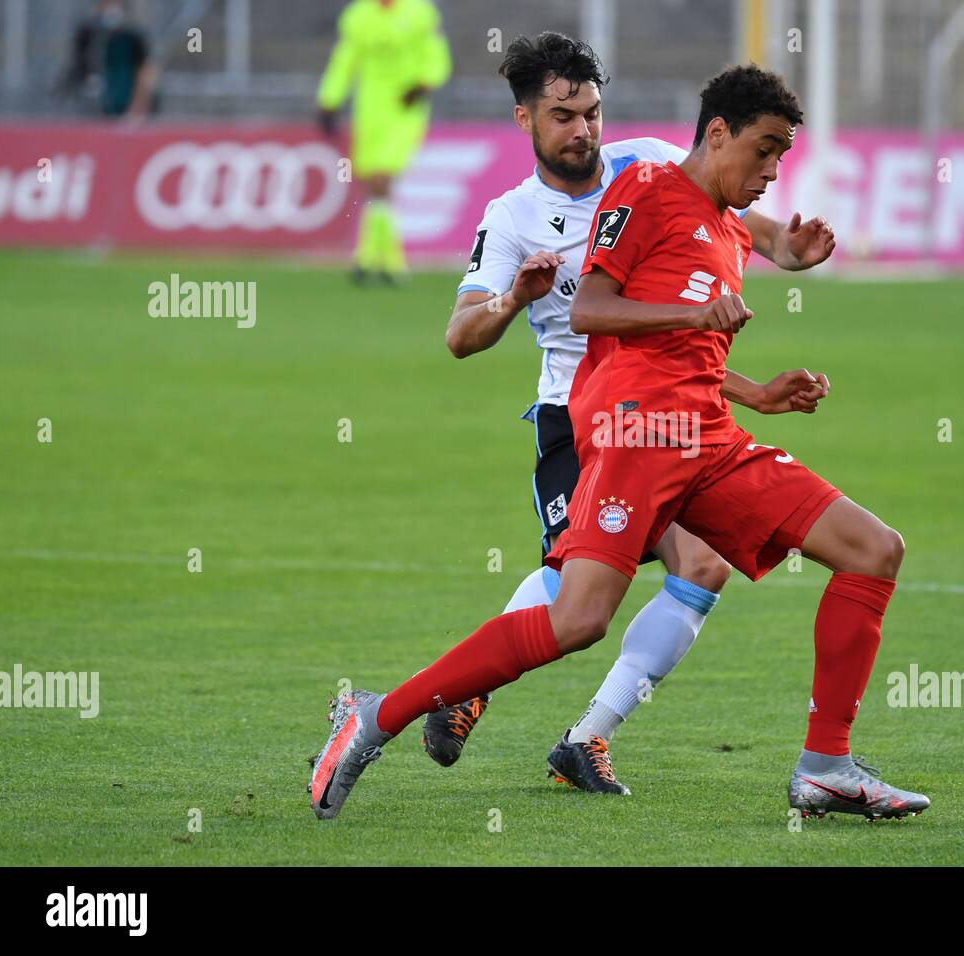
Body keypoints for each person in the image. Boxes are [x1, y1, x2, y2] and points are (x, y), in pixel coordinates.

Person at [310, 64, 929, 824]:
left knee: (874, 549)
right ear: (717, 134)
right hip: (631, 435)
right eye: (765, 151)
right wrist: (688, 317)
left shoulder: (722, 220)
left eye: (782, 157)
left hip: (706, 437)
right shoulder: (640, 191)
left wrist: (761, 389)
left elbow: (687, 354)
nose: (772, 171)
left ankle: (824, 768)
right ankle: (377, 718)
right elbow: (592, 310)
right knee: (579, 619)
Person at [426, 33, 833, 795]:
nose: (584, 129)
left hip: (670, 408)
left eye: (592, 112)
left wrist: (791, 249)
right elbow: (460, 335)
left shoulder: (646, 163)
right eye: (563, 116)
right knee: (571, 587)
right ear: (524, 120)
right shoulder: (511, 218)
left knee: (701, 565)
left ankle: (587, 738)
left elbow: (743, 226)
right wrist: (514, 298)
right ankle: (465, 685)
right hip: (581, 421)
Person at [316, 0, 452, 283]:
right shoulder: (359, 15)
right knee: (373, 183)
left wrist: (424, 83)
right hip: (369, 108)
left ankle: (372, 259)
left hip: (405, 108)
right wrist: (329, 100)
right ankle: (385, 261)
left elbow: (435, 54)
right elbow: (345, 60)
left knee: (382, 178)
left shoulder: (419, 12)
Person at [59, 0, 157, 119]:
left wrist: (137, 107)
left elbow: (145, 70)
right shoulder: (87, 32)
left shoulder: (133, 35)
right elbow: (77, 66)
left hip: (123, 105)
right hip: (91, 108)